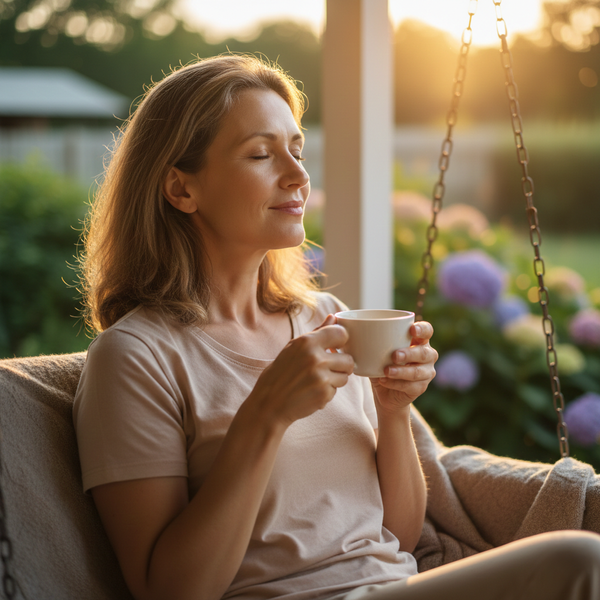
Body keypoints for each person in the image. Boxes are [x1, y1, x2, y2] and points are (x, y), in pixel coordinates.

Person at [73, 54, 600, 600]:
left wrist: (392, 411)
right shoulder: (136, 357)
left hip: (392, 585)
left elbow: (396, 535)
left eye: (297, 150)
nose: (299, 175)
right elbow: (168, 591)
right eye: (260, 154)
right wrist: (264, 417)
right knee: (578, 558)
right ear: (181, 190)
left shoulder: (324, 320)